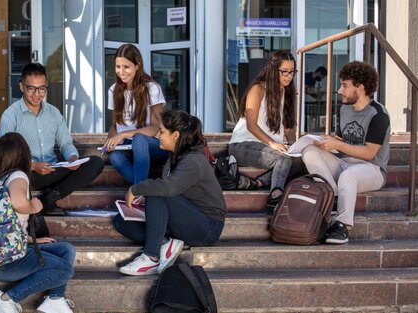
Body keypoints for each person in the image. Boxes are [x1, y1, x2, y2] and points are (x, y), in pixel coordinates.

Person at [114, 109, 226, 275]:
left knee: (158, 192)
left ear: (175, 136)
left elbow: (168, 188)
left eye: (162, 132)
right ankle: (166, 242)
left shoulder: (194, 161)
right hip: (185, 218)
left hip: (207, 227)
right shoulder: (175, 155)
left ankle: (151, 257)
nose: (158, 136)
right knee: (122, 221)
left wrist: (136, 189)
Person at [0, 132, 75, 313]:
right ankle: (6, 299)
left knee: (66, 249)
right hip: (7, 263)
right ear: (23, 154)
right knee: (65, 270)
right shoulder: (18, 176)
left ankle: (55, 299)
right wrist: (34, 206)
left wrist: (31, 240)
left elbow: (4, 227)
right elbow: (19, 204)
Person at [0, 62, 104, 215]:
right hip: (27, 174)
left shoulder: (54, 113)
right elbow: (5, 156)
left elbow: (66, 143)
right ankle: (44, 201)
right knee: (18, 176)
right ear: (21, 87)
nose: (37, 94)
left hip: (53, 170)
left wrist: (73, 158)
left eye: (42, 89)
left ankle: (49, 198)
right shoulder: (10, 115)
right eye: (31, 88)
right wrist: (33, 165)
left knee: (95, 163)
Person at [301, 61, 390, 244]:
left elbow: (369, 153)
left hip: (372, 169)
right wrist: (326, 142)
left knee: (348, 176)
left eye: (345, 86)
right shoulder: (344, 109)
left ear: (361, 87)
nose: (340, 91)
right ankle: (333, 196)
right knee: (309, 151)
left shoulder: (378, 114)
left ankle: (341, 226)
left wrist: (338, 145)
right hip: (345, 163)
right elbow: (343, 141)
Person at [228, 50, 306, 214]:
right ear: (273, 69)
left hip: (270, 147)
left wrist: (295, 147)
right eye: (284, 71)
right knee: (283, 159)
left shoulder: (288, 92)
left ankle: (257, 183)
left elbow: (289, 128)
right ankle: (275, 196)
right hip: (243, 145)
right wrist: (272, 143)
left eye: (292, 72)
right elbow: (251, 125)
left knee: (304, 161)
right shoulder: (258, 89)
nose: (289, 76)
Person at [104, 43, 168, 184]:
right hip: (127, 147)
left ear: (137, 65)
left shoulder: (151, 88)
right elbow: (115, 126)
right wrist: (111, 140)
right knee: (115, 157)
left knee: (139, 139)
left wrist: (125, 134)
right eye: (118, 66)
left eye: (126, 67)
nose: (121, 72)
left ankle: (139, 190)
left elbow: (156, 128)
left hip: (151, 147)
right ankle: (144, 189)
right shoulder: (113, 90)